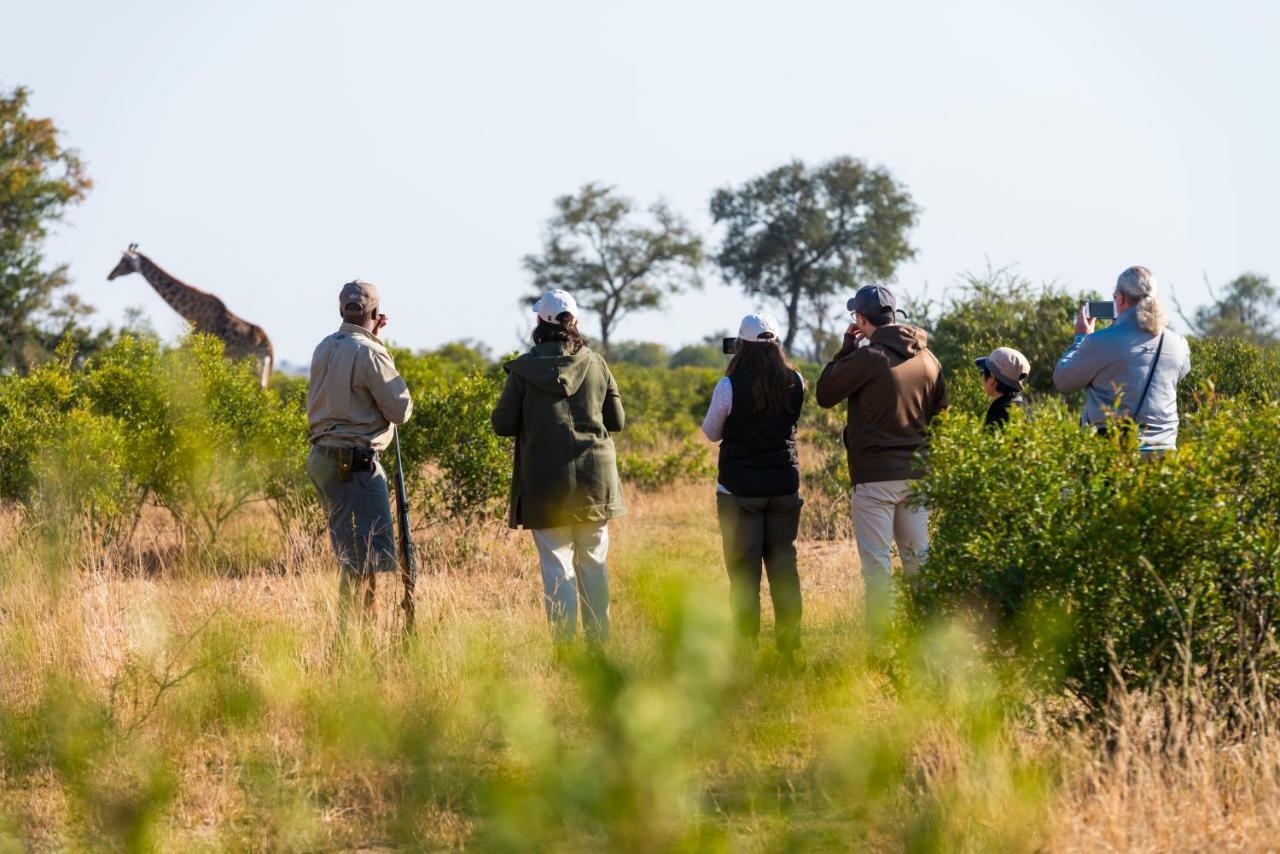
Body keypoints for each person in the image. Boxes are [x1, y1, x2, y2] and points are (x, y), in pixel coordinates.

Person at [491, 289, 625, 645]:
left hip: (545, 483)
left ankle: (565, 652)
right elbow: (618, 419)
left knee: (557, 567)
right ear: (574, 322)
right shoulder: (597, 363)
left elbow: (502, 425)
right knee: (593, 563)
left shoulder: (522, 370)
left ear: (540, 323)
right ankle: (599, 648)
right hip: (596, 482)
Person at [815, 284, 948, 642]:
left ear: (860, 319)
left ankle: (884, 653)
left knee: (878, 572)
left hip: (874, 480)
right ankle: (929, 645)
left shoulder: (867, 357)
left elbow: (825, 393)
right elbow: (942, 416)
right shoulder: (929, 359)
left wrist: (845, 348)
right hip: (919, 477)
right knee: (920, 566)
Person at [700, 313, 805, 659]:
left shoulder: (728, 385)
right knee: (784, 567)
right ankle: (789, 647)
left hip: (739, 491)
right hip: (783, 487)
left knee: (744, 572)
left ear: (740, 345)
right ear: (776, 345)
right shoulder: (796, 380)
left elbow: (711, 432)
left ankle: (746, 648)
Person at [306, 279, 413, 615]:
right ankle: (356, 643)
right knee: (365, 557)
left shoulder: (325, 346)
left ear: (341, 310)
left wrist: (374, 340)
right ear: (376, 312)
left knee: (352, 553)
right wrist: (379, 348)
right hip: (355, 463)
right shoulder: (370, 353)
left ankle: (349, 641)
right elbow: (400, 410)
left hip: (324, 458)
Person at [1053, 266, 1191, 454]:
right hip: (1165, 451)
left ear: (1120, 297)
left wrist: (1080, 339)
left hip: (1116, 451)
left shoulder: (1098, 342)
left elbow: (1063, 382)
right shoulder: (1179, 344)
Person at [975, 347, 1030, 428]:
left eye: (982, 373)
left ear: (992, 378)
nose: (981, 377)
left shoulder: (1001, 416)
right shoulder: (1023, 407)